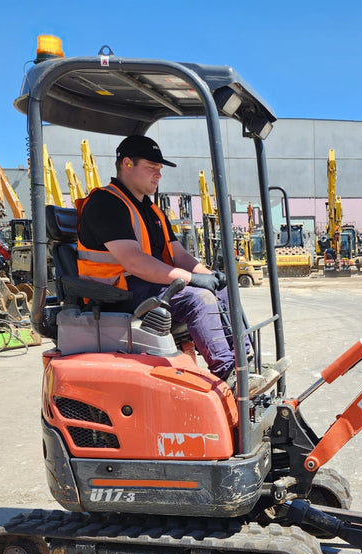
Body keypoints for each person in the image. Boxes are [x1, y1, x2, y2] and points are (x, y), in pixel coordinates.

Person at [77, 135, 244, 384]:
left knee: (223, 291)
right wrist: (192, 280)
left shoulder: (152, 209)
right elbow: (133, 261)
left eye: (159, 170)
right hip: (115, 292)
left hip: (146, 285)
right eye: (151, 168)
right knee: (198, 299)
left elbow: (177, 254)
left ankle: (246, 366)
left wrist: (207, 275)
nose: (158, 175)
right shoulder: (106, 203)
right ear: (127, 164)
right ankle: (229, 374)